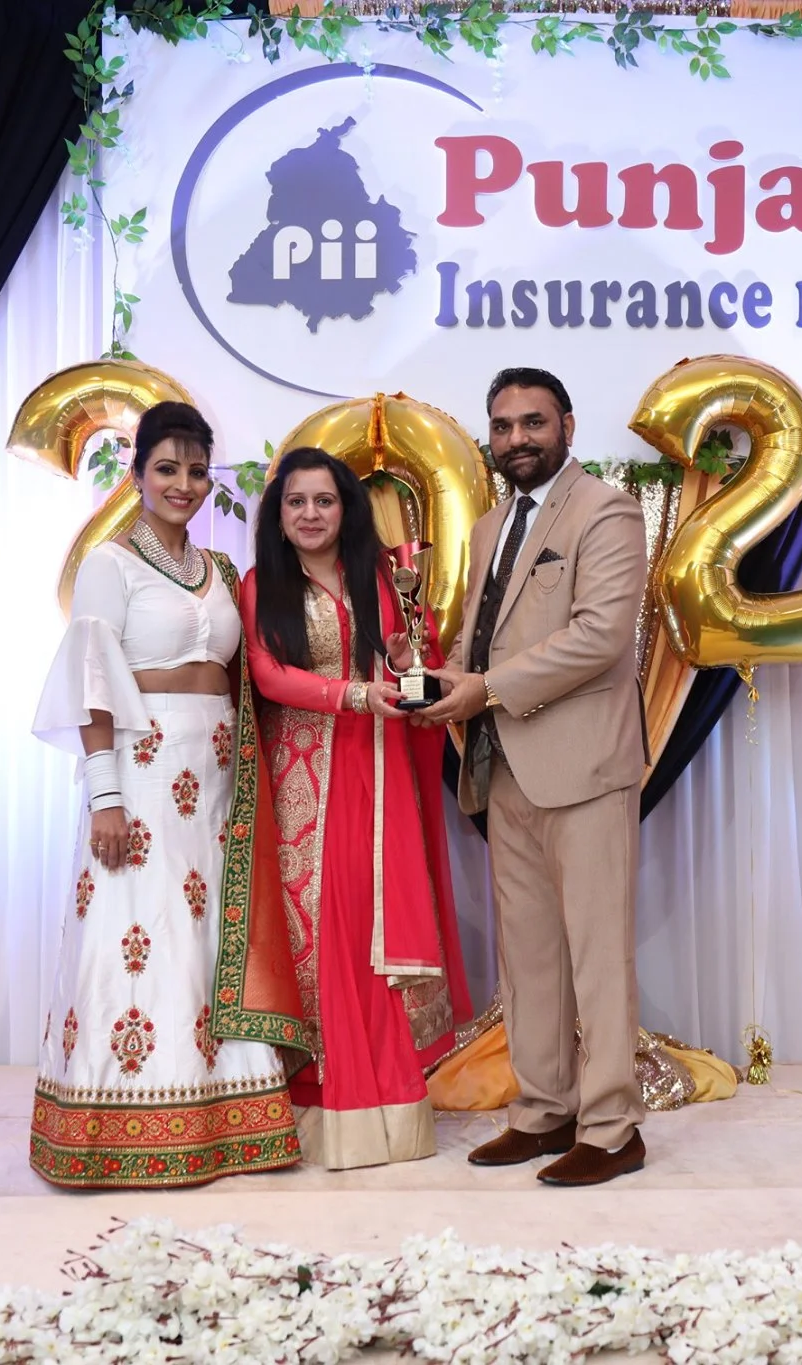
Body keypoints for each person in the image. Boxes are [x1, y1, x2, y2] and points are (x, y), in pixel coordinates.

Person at [29, 401, 308, 1188]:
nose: (182, 483)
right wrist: (105, 796)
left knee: (208, 939)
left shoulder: (218, 570)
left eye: (194, 470)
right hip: (141, 772)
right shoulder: (110, 565)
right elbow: (91, 683)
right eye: (166, 468)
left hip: (214, 777)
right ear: (137, 475)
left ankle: (224, 1121)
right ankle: (116, 1128)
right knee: (134, 928)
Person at [417, 367, 650, 1187]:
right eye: (503, 425)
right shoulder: (490, 526)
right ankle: (545, 1109)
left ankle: (613, 1127)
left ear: (568, 426)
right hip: (503, 764)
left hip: (584, 766)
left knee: (598, 954)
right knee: (529, 956)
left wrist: (486, 688)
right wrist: (444, 678)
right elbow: (483, 638)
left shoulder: (606, 511)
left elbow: (600, 636)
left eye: (533, 423)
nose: (516, 438)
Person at [239, 447, 473, 1169]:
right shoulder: (261, 584)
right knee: (319, 928)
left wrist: (403, 656)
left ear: (346, 510)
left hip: (376, 767)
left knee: (374, 927)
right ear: (278, 515)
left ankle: (388, 1109)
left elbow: (408, 663)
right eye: (296, 502)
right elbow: (267, 674)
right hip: (303, 774)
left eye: (325, 500)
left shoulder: (375, 576)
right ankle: (317, 1107)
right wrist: (353, 693)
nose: (310, 514)